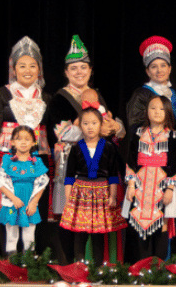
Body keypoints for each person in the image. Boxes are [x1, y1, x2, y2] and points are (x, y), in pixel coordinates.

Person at [41, 35, 118, 262]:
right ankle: (68, 262)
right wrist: (93, 131)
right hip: (72, 163)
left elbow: (110, 122)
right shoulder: (60, 99)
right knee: (69, 214)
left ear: (90, 70)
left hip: (99, 165)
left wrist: (115, 127)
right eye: (73, 68)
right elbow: (61, 133)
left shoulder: (97, 95)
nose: (79, 72)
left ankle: (93, 264)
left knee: (95, 217)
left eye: (83, 67)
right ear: (66, 72)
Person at [0, 37, 56, 255]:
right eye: (22, 65)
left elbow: (53, 130)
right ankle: (8, 260)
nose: (27, 70)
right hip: (7, 157)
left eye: (32, 66)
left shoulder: (46, 97)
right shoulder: (2, 94)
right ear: (13, 69)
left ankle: (33, 259)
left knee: (34, 207)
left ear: (39, 69)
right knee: (8, 208)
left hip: (38, 158)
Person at [121, 96, 176, 260]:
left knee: (161, 224)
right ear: (146, 111)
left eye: (161, 109)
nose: (157, 112)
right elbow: (130, 161)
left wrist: (170, 189)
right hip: (140, 185)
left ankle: (158, 267)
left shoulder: (172, 136)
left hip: (162, 185)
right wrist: (130, 185)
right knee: (138, 223)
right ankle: (142, 266)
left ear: (168, 112)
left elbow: (175, 164)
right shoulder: (138, 133)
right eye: (153, 108)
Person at [61, 108, 126, 264]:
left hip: (101, 193)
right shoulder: (76, 148)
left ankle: (97, 270)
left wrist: (112, 195)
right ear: (80, 126)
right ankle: (79, 267)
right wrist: (69, 199)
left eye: (94, 123)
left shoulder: (109, 147)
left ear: (100, 125)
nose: (90, 127)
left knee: (98, 233)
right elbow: (69, 176)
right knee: (80, 233)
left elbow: (112, 175)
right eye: (86, 123)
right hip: (80, 193)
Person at [0, 126, 50, 256]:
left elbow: (42, 183)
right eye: (19, 139)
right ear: (12, 142)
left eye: (27, 139)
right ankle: (11, 263)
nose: (23, 142)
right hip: (12, 202)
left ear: (33, 142)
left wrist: (34, 202)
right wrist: (13, 198)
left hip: (29, 203)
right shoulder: (8, 161)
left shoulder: (36, 162)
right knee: (11, 234)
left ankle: (28, 264)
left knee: (29, 234)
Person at [126, 36, 176, 130]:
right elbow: (135, 125)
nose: (159, 70)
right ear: (148, 71)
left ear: (169, 69)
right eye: (154, 67)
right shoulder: (141, 94)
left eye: (163, 65)